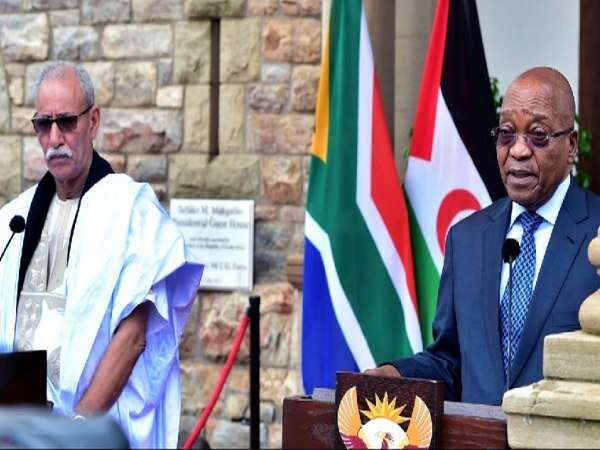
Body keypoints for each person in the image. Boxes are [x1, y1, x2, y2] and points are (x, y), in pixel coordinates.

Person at [367, 67, 600, 405]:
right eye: (506, 134)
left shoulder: (596, 235)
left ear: (571, 146)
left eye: (537, 135)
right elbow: (450, 362)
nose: (518, 151)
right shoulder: (467, 240)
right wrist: (396, 374)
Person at [0, 61, 203, 448]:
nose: (55, 137)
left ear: (93, 121)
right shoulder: (14, 220)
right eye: (44, 124)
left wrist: (75, 431)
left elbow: (133, 338)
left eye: (67, 122)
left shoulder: (132, 211)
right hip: (20, 431)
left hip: (93, 431)